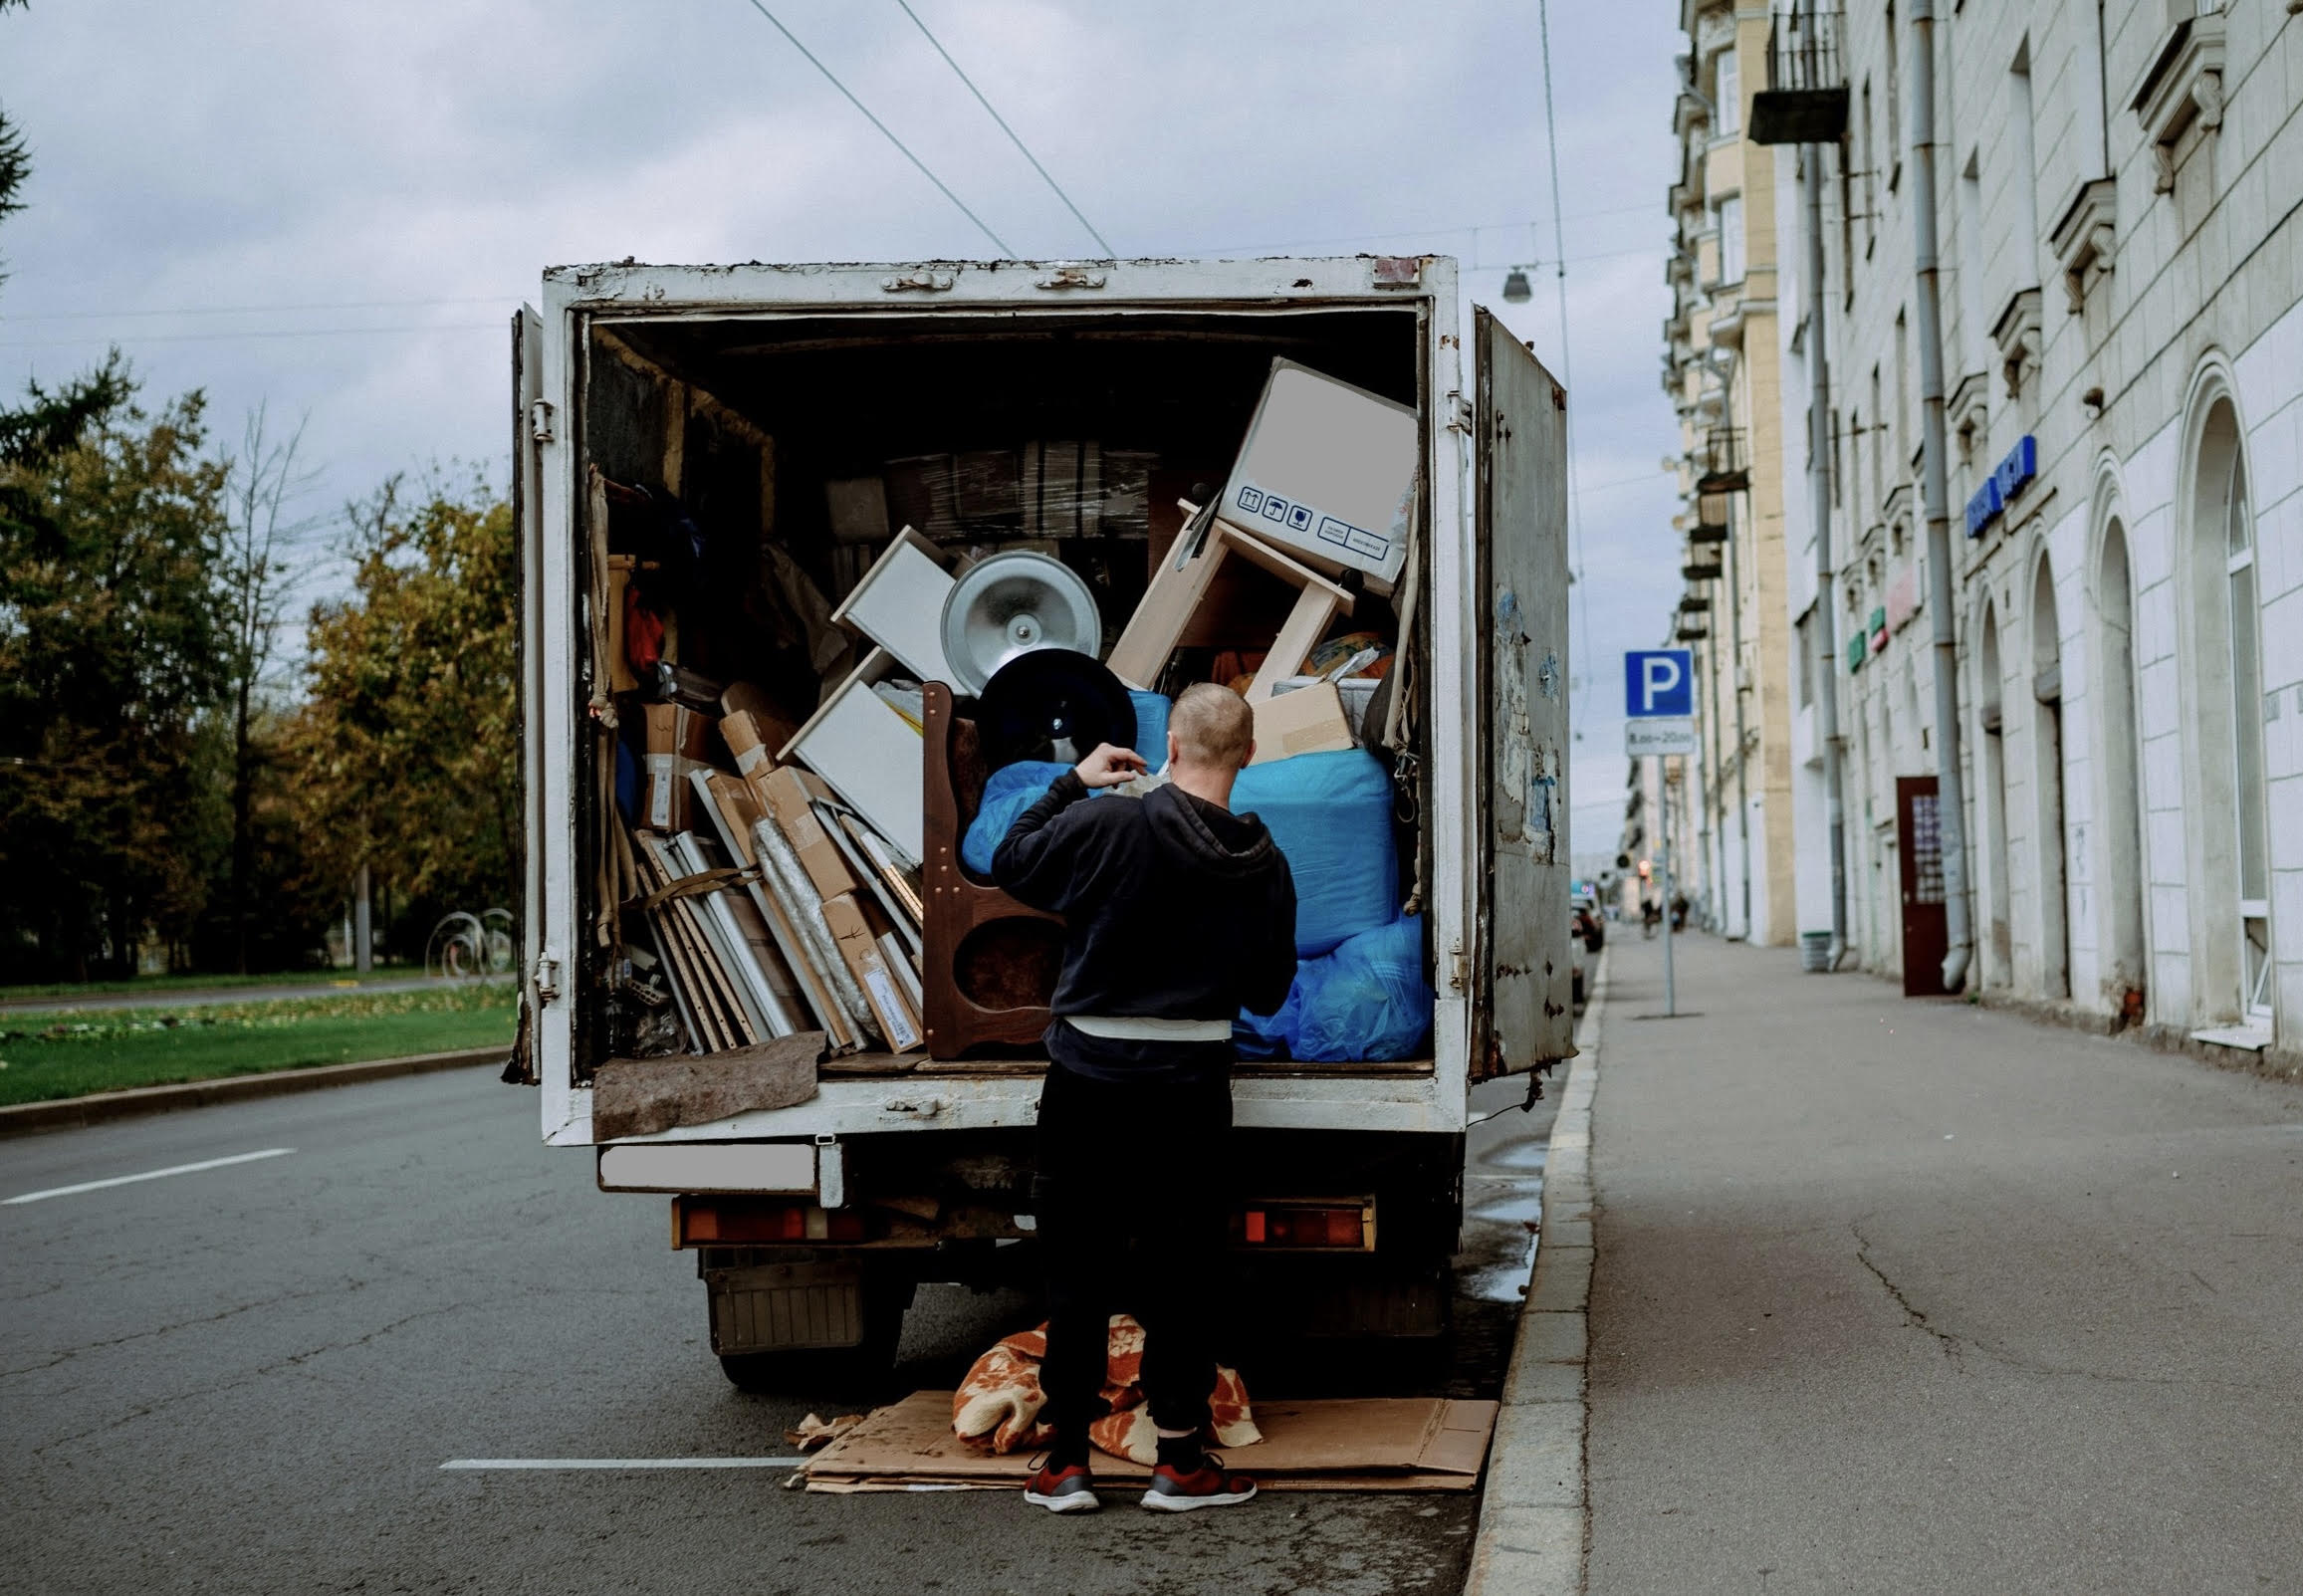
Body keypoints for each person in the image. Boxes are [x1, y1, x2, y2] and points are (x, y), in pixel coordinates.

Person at [992, 683, 1297, 1515]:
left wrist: (1073, 782)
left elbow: (1008, 858)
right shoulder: (1263, 862)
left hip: (1086, 1080)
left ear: (1168, 743)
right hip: (1192, 1087)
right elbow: (1269, 993)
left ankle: (1063, 1463)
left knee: (1077, 1269)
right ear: (1248, 753)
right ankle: (1180, 1462)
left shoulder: (1104, 822)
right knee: (1183, 1275)